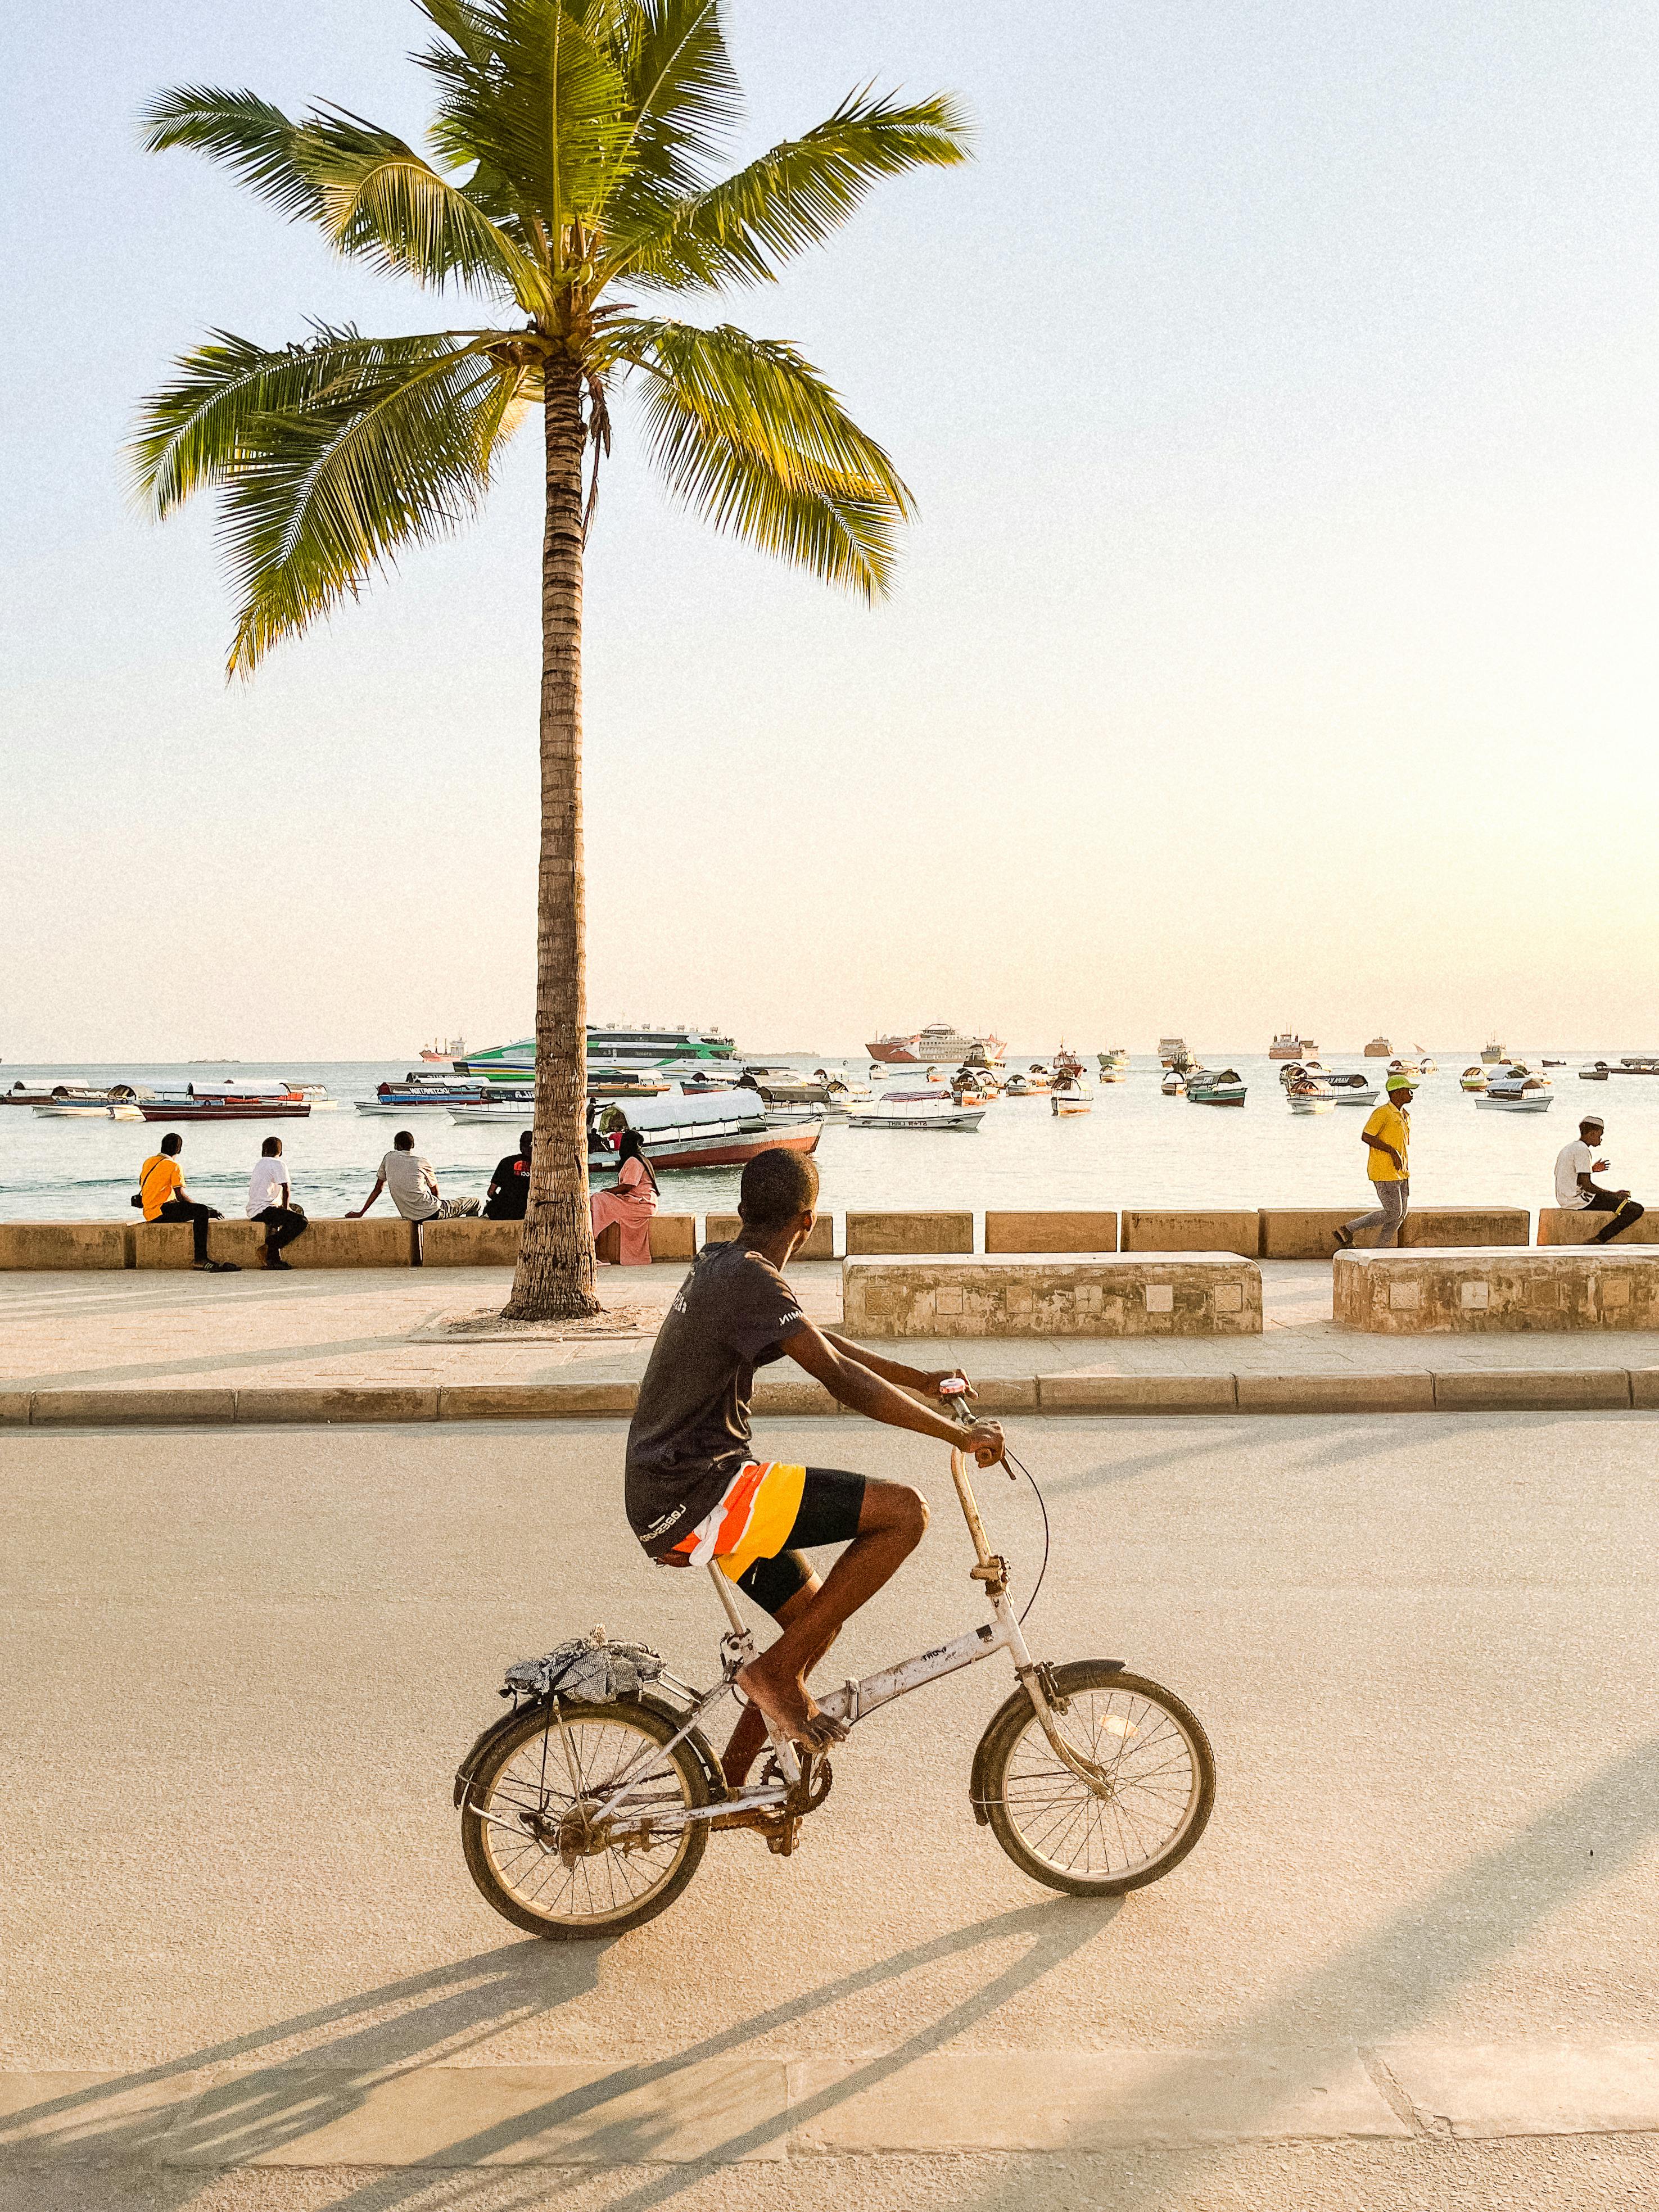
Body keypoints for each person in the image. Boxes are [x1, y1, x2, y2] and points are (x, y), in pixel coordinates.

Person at [624, 1146, 1005, 1784]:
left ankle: (733, 1783)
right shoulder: (751, 1278)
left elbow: (820, 1343)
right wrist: (958, 1437)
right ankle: (773, 1676)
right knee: (904, 1512)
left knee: (808, 1625)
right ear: (807, 1220)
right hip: (700, 1493)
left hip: (677, 1490)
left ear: (743, 1208)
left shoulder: (724, 1262)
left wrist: (924, 1380)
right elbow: (837, 1376)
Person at [1333, 1070, 1417, 1250]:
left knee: (1401, 1214)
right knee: (1393, 1212)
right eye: (1408, 1090)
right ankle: (1348, 1229)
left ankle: (1380, 1249)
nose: (1412, 1093)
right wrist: (1392, 1152)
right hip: (1384, 1170)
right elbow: (1367, 1136)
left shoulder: (1405, 1116)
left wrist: (1400, 1158)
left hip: (1402, 1171)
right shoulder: (1382, 1113)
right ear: (1396, 1093)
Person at [138, 1132, 238, 1272]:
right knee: (201, 1211)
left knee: (199, 1209)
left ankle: (201, 1256)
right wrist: (206, 1210)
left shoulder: (149, 1162)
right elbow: (181, 1196)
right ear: (179, 1150)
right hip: (161, 1211)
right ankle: (200, 1259)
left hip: (149, 1212)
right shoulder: (174, 1166)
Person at [348, 1129, 480, 1222]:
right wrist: (439, 1208)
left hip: (409, 1215)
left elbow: (378, 1189)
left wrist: (361, 1213)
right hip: (432, 1211)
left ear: (396, 1146)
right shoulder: (423, 1162)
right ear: (413, 1146)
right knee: (475, 1202)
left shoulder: (389, 1158)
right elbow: (434, 1190)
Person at [1554, 1115, 1645, 1243]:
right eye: (1599, 1135)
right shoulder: (1583, 1151)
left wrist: (1592, 1169)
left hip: (1566, 1199)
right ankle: (1599, 1239)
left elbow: (1574, 1178)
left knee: (1620, 1204)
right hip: (1578, 1200)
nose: (1601, 1139)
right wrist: (1614, 1195)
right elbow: (1587, 1186)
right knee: (1635, 1210)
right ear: (1592, 1134)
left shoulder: (1570, 1148)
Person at [590, 1128, 659, 1265]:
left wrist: (609, 1190)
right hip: (640, 1202)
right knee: (600, 1204)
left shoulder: (634, 1161)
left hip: (641, 1205)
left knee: (598, 1200)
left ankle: (601, 1254)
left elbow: (628, 1186)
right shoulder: (641, 1158)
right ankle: (600, 1253)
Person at [246, 1136, 309, 1269]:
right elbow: (286, 1189)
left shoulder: (259, 1164)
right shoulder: (279, 1164)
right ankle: (270, 1246)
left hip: (254, 1210)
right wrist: (285, 1211)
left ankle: (274, 1258)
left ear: (263, 1151)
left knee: (295, 1211)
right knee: (301, 1221)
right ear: (280, 1153)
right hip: (265, 1210)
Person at [483, 1130, 534, 1221]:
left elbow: (491, 1192)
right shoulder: (541, 1168)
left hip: (503, 1213)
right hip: (525, 1213)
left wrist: (501, 1202)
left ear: (521, 1146)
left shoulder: (506, 1162)